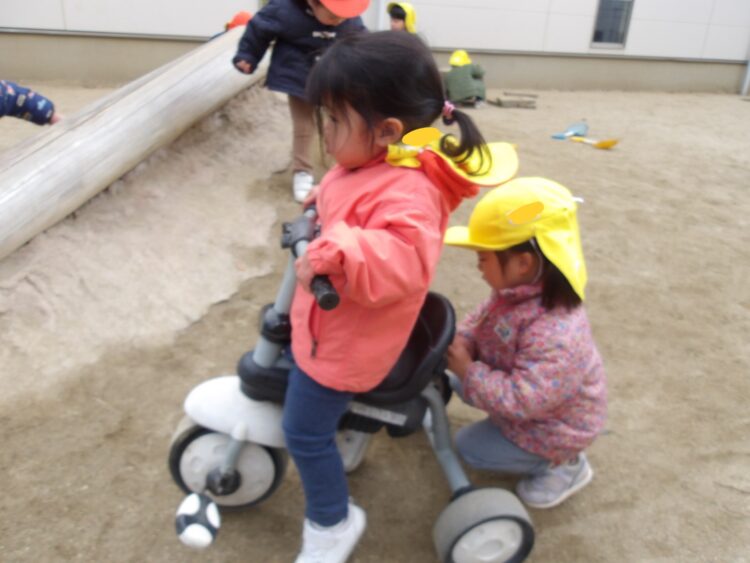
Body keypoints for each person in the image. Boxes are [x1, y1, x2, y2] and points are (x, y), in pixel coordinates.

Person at [284, 31, 517, 562]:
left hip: (346, 346)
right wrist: (324, 198)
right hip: (331, 324)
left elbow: (403, 258)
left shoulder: (412, 191)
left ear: (388, 131)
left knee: (303, 432)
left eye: (334, 119)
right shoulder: (374, 161)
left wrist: (340, 247)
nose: (325, 130)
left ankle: (331, 523)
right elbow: (350, 185)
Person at [443, 177, 607, 509]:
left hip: (553, 428)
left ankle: (565, 465)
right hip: (526, 399)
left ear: (522, 263)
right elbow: (482, 318)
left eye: (483, 257)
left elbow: (523, 399)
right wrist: (464, 342)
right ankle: (498, 418)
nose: (478, 266)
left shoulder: (557, 333)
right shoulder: (517, 291)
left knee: (471, 448)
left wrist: (469, 371)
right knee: (453, 375)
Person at [232, 0, 368, 203]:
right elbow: (259, 29)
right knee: (304, 125)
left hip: (333, 76)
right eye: (332, 16)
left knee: (341, 120)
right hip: (298, 75)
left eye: (343, 17)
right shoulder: (284, 9)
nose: (338, 21)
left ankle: (343, 167)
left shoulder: (347, 17)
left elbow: (361, 41)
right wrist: (248, 55)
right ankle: (302, 171)